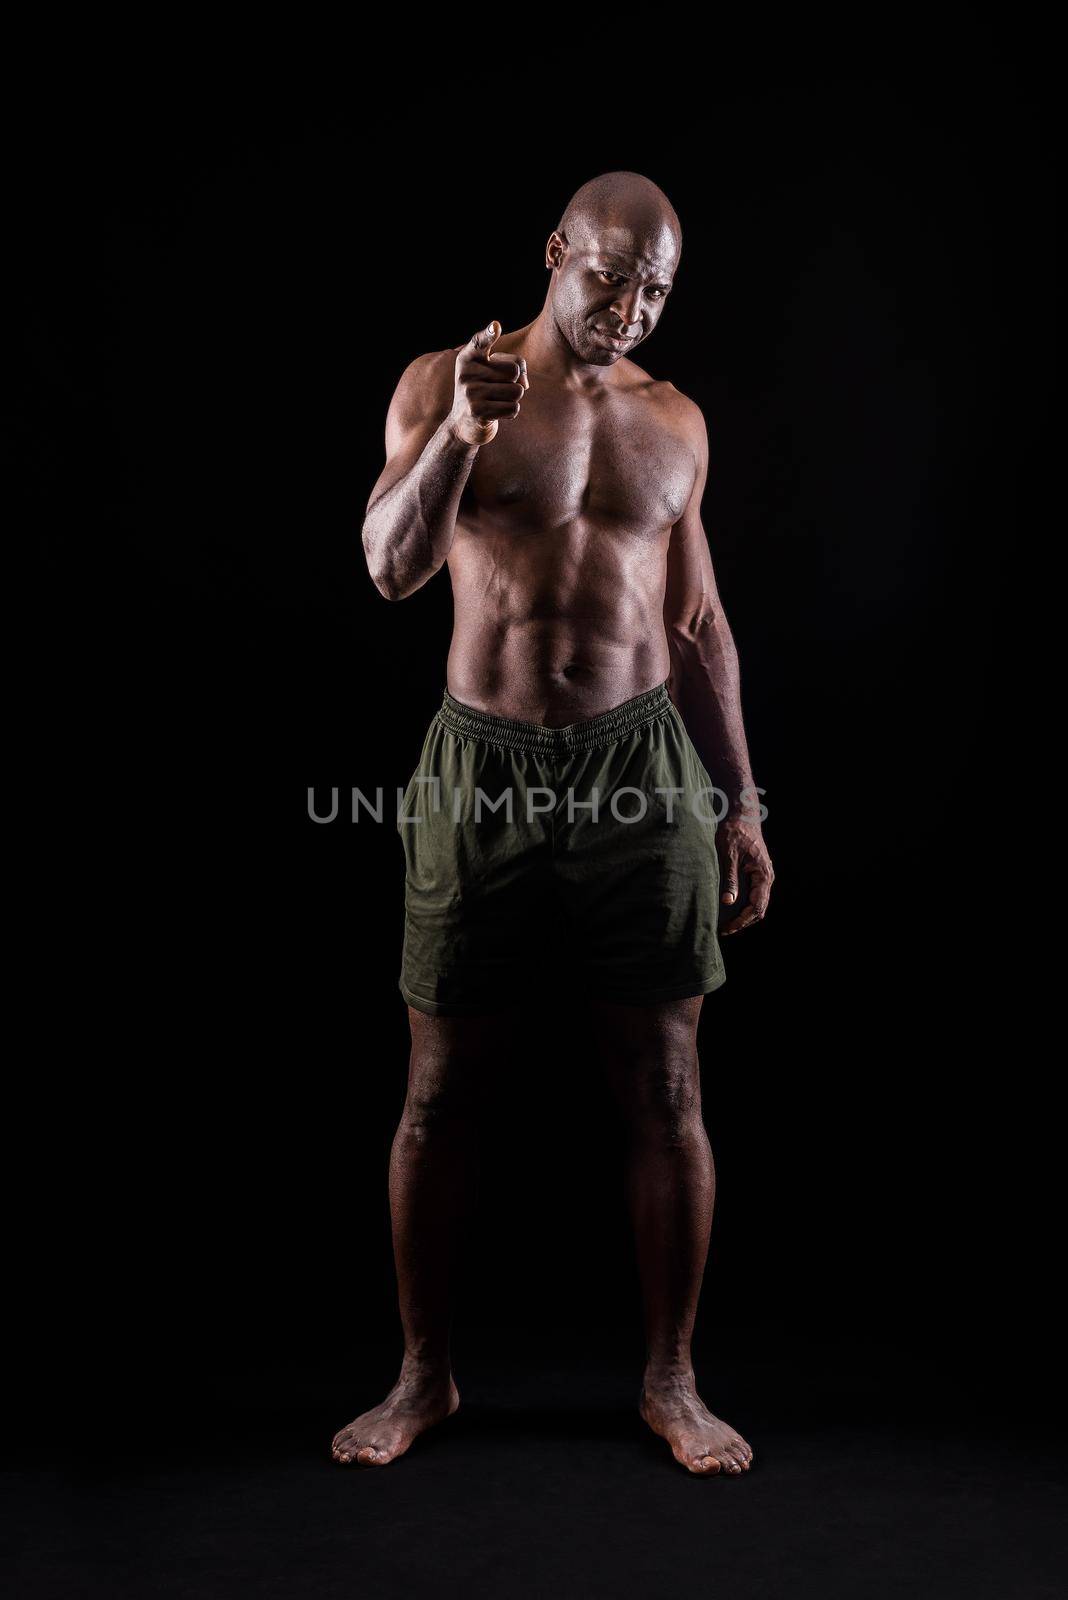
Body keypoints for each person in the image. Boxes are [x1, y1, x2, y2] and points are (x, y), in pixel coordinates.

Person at [332, 171, 773, 1476]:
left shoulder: (676, 423)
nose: (631, 309)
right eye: (610, 277)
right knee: (439, 1095)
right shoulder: (443, 383)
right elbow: (389, 567)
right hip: (481, 764)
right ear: (555, 251)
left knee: (668, 1088)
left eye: (657, 290)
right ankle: (424, 1380)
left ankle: (673, 1382)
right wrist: (460, 439)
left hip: (643, 770)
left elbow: (693, 622)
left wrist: (740, 800)